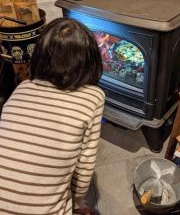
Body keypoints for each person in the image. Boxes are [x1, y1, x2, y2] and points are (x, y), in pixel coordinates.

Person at [0, 18, 105, 215]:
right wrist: (76, 204)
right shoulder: (94, 97)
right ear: (90, 60)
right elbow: (84, 171)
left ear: (39, 55)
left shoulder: (21, 88)